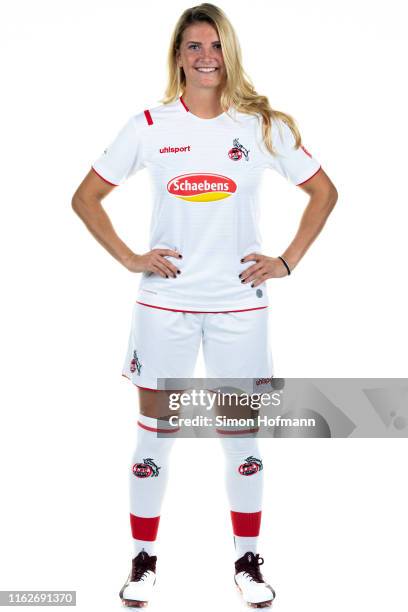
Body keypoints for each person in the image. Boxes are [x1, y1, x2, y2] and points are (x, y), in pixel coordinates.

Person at [72, 3, 338, 608]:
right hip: (164, 305)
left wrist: (287, 260)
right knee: (156, 434)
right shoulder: (148, 125)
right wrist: (130, 257)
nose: (206, 57)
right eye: (194, 46)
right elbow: (86, 198)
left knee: (239, 436)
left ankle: (247, 558)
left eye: (215, 45)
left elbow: (324, 192)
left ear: (231, 52)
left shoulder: (261, 126)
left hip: (240, 308)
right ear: (178, 56)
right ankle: (143, 562)